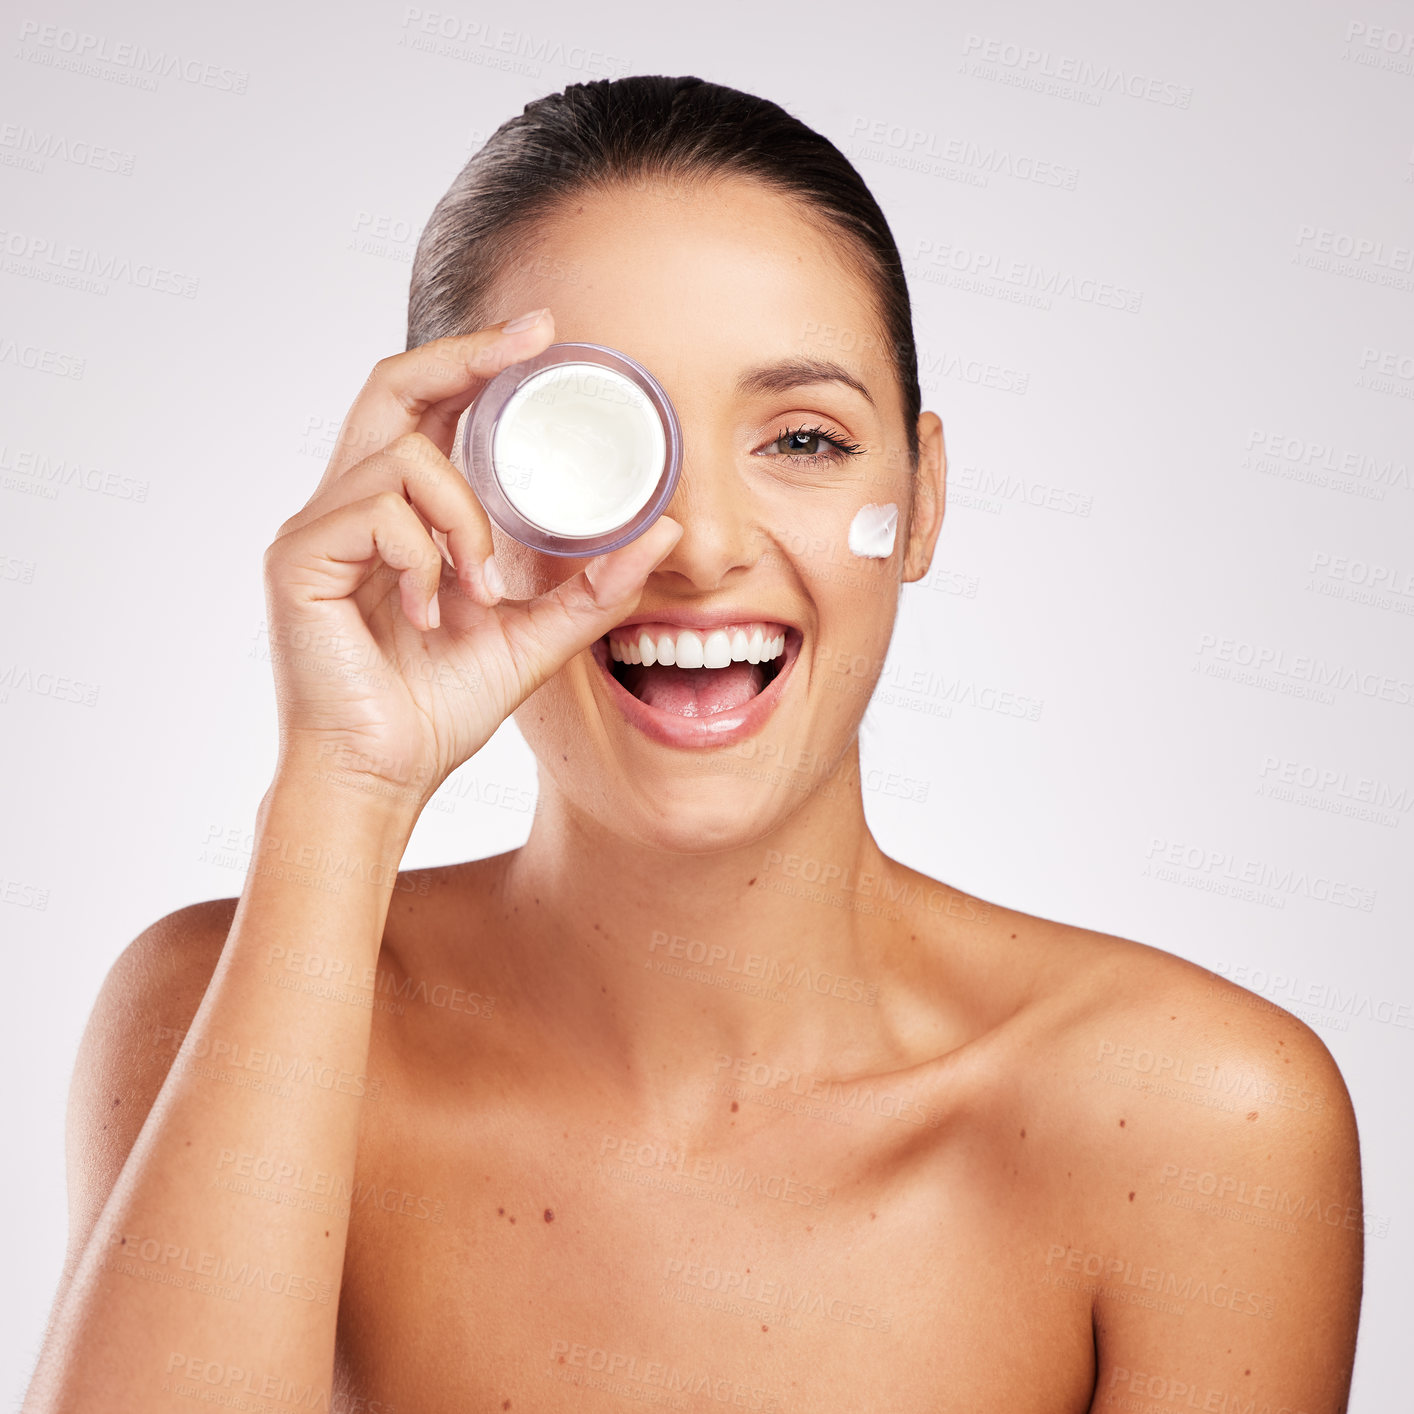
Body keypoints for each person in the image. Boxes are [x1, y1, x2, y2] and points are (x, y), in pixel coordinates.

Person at [23, 75, 1361, 1413]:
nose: (704, 546)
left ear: (923, 495)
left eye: (800, 437)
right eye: (592, 442)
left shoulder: (1195, 1125)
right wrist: (342, 789)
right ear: (449, 487)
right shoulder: (218, 1012)